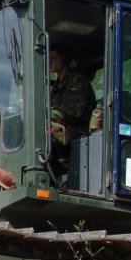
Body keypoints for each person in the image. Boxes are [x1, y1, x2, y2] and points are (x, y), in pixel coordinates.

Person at [49, 45, 96, 174]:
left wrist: (44, 115)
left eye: (53, 58)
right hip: (65, 128)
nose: (50, 62)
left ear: (63, 59)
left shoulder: (77, 81)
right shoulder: (58, 84)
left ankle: (61, 171)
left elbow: (70, 111)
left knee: (47, 129)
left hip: (80, 131)